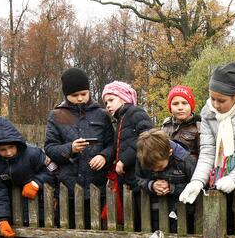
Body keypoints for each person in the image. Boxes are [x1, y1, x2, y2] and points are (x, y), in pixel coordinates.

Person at [179, 62, 235, 203]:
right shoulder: (208, 114)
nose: (215, 105)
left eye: (221, 100)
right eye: (212, 99)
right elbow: (208, 153)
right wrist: (197, 181)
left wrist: (233, 178)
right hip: (217, 184)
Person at [44, 67, 114, 208]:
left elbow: (112, 144)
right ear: (66, 95)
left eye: (84, 93)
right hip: (68, 189)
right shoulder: (56, 115)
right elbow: (50, 148)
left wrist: (104, 156)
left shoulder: (102, 114)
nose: (80, 98)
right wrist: (70, 148)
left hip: (98, 187)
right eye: (75, 95)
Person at [0, 117, 55, 238]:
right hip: (13, 213)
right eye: (3, 150)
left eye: (11, 147)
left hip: (40, 210)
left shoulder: (33, 153)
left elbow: (51, 172)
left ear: (16, 143)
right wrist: (2, 220)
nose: (9, 152)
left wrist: (36, 183)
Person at [101, 80, 153, 225]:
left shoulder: (135, 112)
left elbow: (147, 136)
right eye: (106, 103)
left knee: (143, 218)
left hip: (140, 174)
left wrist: (124, 159)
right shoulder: (121, 119)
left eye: (111, 100)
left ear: (123, 97)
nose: (108, 105)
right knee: (133, 220)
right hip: (129, 178)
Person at [162, 85, 201, 159]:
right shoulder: (166, 124)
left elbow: (204, 157)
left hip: (190, 168)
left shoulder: (199, 127)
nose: (180, 107)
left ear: (191, 106)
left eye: (184, 103)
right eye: (175, 104)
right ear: (170, 107)